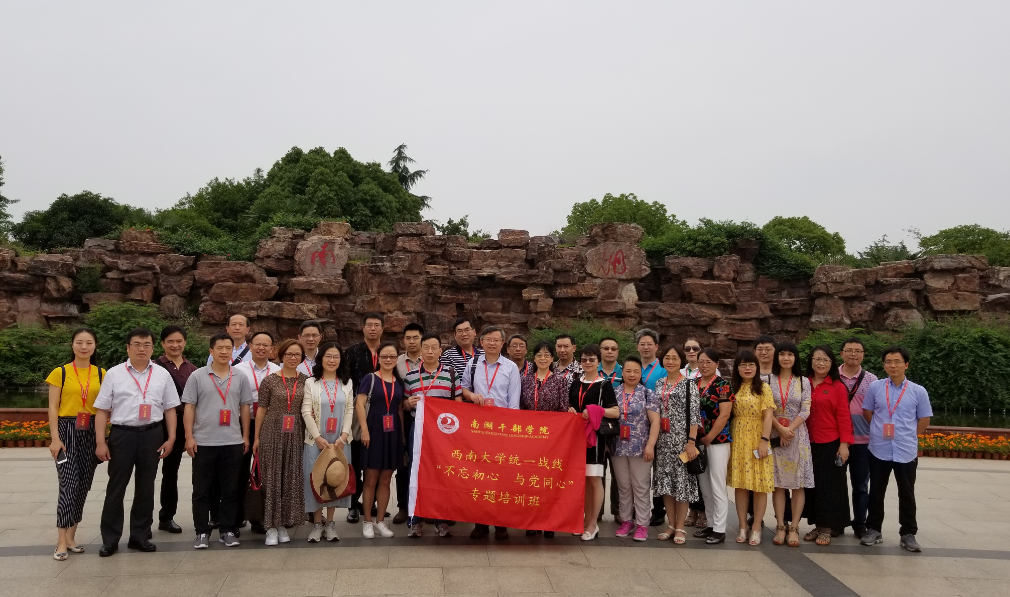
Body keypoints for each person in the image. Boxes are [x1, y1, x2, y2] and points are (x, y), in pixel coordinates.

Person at [94, 328, 181, 557]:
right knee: (116, 487)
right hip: (122, 435)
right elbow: (102, 410)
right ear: (128, 347)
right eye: (137, 344)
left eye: (147, 345)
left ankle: (139, 536)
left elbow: (170, 408)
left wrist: (171, 437)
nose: (142, 349)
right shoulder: (114, 374)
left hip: (152, 434)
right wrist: (101, 441)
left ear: (153, 348)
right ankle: (110, 539)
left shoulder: (162, 374)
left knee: (146, 487)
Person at [183, 333, 254, 549]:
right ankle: (201, 531)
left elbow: (245, 407)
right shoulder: (197, 376)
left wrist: (245, 436)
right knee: (201, 490)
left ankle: (227, 530)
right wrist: (189, 437)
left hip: (232, 441)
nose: (224, 352)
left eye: (228, 348)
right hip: (203, 441)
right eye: (219, 348)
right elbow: (189, 407)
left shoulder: (240, 376)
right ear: (211, 351)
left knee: (230, 489)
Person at [860, 346, 932, 553]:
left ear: (906, 365)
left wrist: (907, 435)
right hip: (879, 448)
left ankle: (908, 533)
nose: (893, 365)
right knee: (876, 491)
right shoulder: (875, 387)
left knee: (907, 493)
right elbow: (867, 412)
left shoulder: (918, 391)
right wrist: (878, 430)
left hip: (906, 450)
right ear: (884, 365)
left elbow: (924, 419)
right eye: (888, 362)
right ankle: (874, 529)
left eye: (897, 361)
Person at [46, 328, 106, 561]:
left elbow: (105, 407)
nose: (84, 346)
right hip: (67, 430)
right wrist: (55, 438)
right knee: (69, 484)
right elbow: (53, 407)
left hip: (91, 430)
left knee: (83, 485)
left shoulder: (102, 373)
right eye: (79, 342)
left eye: (89, 342)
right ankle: (61, 540)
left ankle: (71, 537)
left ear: (95, 346)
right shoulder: (60, 373)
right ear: (72, 345)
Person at [463, 326, 522, 540]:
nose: (492, 343)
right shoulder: (473, 364)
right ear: (481, 342)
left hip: (502, 429)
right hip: (478, 428)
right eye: (488, 339)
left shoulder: (510, 367)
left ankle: (500, 523)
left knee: (501, 477)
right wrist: (472, 396)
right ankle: (480, 523)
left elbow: (513, 402)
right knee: (479, 475)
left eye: (496, 340)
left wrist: (511, 434)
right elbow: (464, 388)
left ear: (502, 344)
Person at [403, 332, 463, 538]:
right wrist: (408, 403)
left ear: (440, 351)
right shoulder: (410, 376)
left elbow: (458, 405)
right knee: (416, 472)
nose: (430, 351)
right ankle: (415, 520)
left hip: (443, 432)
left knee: (442, 473)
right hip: (418, 430)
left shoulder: (451, 374)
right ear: (420, 351)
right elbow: (404, 405)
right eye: (426, 347)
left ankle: (441, 520)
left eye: (434, 348)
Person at [253, 339, 307, 546]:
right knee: (272, 479)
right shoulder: (269, 381)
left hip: (295, 434)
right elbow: (261, 410)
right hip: (272, 433)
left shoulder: (306, 381)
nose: (293, 358)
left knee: (290, 478)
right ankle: (270, 526)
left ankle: (284, 522)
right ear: (281, 355)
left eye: (297, 355)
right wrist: (256, 437)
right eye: (289, 354)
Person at [302, 342, 354, 542]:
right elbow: (306, 411)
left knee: (335, 478)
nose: (332, 360)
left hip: (339, 440)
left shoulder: (346, 382)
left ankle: (331, 523)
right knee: (315, 479)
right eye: (328, 356)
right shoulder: (311, 382)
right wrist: (317, 437)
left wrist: (344, 435)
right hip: (316, 440)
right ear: (321, 359)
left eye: (336, 357)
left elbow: (349, 410)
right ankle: (317, 523)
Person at [802, 345, 853, 546]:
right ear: (811, 361)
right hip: (807, 442)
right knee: (812, 486)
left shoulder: (838, 386)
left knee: (829, 487)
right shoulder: (804, 383)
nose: (821, 363)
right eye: (817, 359)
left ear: (832, 363)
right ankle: (817, 524)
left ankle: (827, 528)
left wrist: (844, 444)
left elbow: (844, 417)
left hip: (830, 443)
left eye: (825, 360)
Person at [519, 341, 570, 537]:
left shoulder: (560, 381)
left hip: (552, 439)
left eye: (547, 355)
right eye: (539, 355)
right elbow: (520, 408)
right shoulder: (525, 380)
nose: (543, 358)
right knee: (530, 480)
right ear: (533, 358)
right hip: (529, 438)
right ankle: (532, 520)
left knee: (549, 481)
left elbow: (563, 410)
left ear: (552, 359)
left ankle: (549, 522)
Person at [651, 346, 700, 544]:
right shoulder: (659, 383)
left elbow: (694, 416)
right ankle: (671, 525)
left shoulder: (689, 384)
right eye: (667, 358)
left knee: (682, 484)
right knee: (666, 484)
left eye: (674, 358)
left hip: (682, 441)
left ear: (681, 361)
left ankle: (680, 527)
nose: (670, 361)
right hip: (662, 441)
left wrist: (691, 442)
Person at [568, 344, 618, 541]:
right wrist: (570, 410)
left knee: (594, 480)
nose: (587, 362)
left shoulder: (604, 385)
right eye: (584, 359)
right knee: (582, 481)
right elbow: (571, 404)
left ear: (598, 361)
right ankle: (584, 520)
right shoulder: (575, 382)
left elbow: (615, 411)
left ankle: (592, 524)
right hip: (576, 437)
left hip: (595, 438)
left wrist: (596, 410)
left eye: (591, 359)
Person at [356, 341, 405, 539]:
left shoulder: (398, 381)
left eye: (392, 356)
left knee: (386, 479)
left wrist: (402, 436)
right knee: (370, 478)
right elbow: (359, 404)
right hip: (374, 430)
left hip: (392, 432)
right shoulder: (370, 378)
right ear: (379, 358)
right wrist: (365, 430)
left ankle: (380, 521)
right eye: (384, 356)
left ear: (396, 359)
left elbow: (399, 408)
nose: (388, 360)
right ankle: (367, 521)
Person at [727, 350, 775, 546]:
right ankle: (742, 526)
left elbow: (769, 416)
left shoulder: (763, 388)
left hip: (757, 437)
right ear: (737, 368)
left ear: (756, 367)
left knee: (760, 484)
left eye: (751, 364)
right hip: (738, 438)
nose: (747, 368)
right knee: (741, 484)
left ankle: (756, 526)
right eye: (743, 365)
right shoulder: (733, 388)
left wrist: (764, 440)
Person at [610, 355, 660, 541]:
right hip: (618, 446)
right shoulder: (614, 393)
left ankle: (642, 524)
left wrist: (650, 445)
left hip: (641, 447)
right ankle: (626, 520)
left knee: (640, 486)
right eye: (628, 371)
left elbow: (655, 422)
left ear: (641, 374)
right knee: (623, 486)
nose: (632, 374)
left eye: (636, 371)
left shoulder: (648, 394)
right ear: (622, 373)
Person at [154, 325, 198, 535]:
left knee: (171, 472)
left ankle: (166, 517)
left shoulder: (193, 369)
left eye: (179, 341)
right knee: (148, 473)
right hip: (158, 423)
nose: (175, 345)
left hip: (184, 423)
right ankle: (143, 521)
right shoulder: (155, 367)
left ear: (185, 343)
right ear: (163, 344)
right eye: (170, 341)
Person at [236, 331, 280, 534]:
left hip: (270, 425)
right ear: (250, 346)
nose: (261, 348)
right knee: (240, 470)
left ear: (272, 349)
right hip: (243, 423)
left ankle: (259, 517)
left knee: (264, 471)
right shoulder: (239, 370)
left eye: (266, 345)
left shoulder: (277, 370)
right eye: (257, 344)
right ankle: (237, 516)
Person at [769, 341, 813, 547]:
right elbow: (766, 409)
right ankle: (780, 525)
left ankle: (794, 527)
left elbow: (805, 410)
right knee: (777, 483)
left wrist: (789, 430)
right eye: (782, 354)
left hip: (797, 436)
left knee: (798, 484)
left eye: (790, 354)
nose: (786, 358)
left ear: (796, 358)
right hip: (775, 433)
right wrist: (780, 429)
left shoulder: (803, 381)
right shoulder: (768, 380)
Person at [692, 348, 734, 545]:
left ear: (717, 364)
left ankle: (719, 528)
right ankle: (710, 523)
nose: (704, 365)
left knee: (717, 484)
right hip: (697, 440)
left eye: (709, 362)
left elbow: (724, 414)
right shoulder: (692, 384)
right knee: (704, 485)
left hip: (718, 440)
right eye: (701, 361)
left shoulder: (723, 385)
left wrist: (709, 437)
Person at [346, 312, 385, 523]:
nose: (372, 328)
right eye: (369, 325)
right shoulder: (352, 352)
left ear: (382, 329)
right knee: (355, 460)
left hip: (381, 411)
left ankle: (373, 503)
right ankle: (353, 505)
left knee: (377, 459)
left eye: (376, 325)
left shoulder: (388, 352)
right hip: (356, 409)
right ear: (363, 328)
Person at [838, 337, 879, 539]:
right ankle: (836, 522)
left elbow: (878, 409)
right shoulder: (832, 376)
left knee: (861, 486)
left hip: (863, 442)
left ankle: (860, 523)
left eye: (858, 351)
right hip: (836, 441)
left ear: (863, 355)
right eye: (849, 350)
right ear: (841, 354)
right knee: (836, 484)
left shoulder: (872, 380)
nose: (853, 354)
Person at [391, 322, 425, 524]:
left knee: (428, 464)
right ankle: (403, 506)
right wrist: (405, 404)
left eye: (416, 338)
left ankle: (427, 507)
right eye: (408, 338)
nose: (412, 341)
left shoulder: (431, 360)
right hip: (406, 418)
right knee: (404, 464)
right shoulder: (396, 363)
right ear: (403, 341)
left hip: (429, 421)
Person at [636, 329, 668, 527]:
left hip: (658, 424)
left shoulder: (663, 370)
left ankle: (658, 509)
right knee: (637, 470)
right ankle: (637, 508)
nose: (646, 347)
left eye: (649, 344)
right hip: (636, 426)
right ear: (637, 347)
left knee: (659, 469)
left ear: (656, 347)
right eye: (642, 344)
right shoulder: (632, 367)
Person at [439, 316, 483, 380]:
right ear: (455, 335)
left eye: (467, 330)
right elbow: (445, 381)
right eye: (460, 331)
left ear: (474, 332)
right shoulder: (448, 356)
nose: (464, 334)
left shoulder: (484, 354)